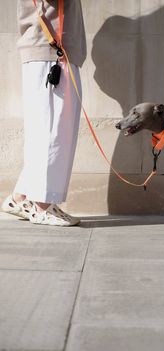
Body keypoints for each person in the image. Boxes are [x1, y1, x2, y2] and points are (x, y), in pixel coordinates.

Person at [1, 0, 87, 226]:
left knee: (48, 131)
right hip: (51, 52)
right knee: (54, 131)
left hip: (52, 51)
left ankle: (20, 198)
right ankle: (41, 206)